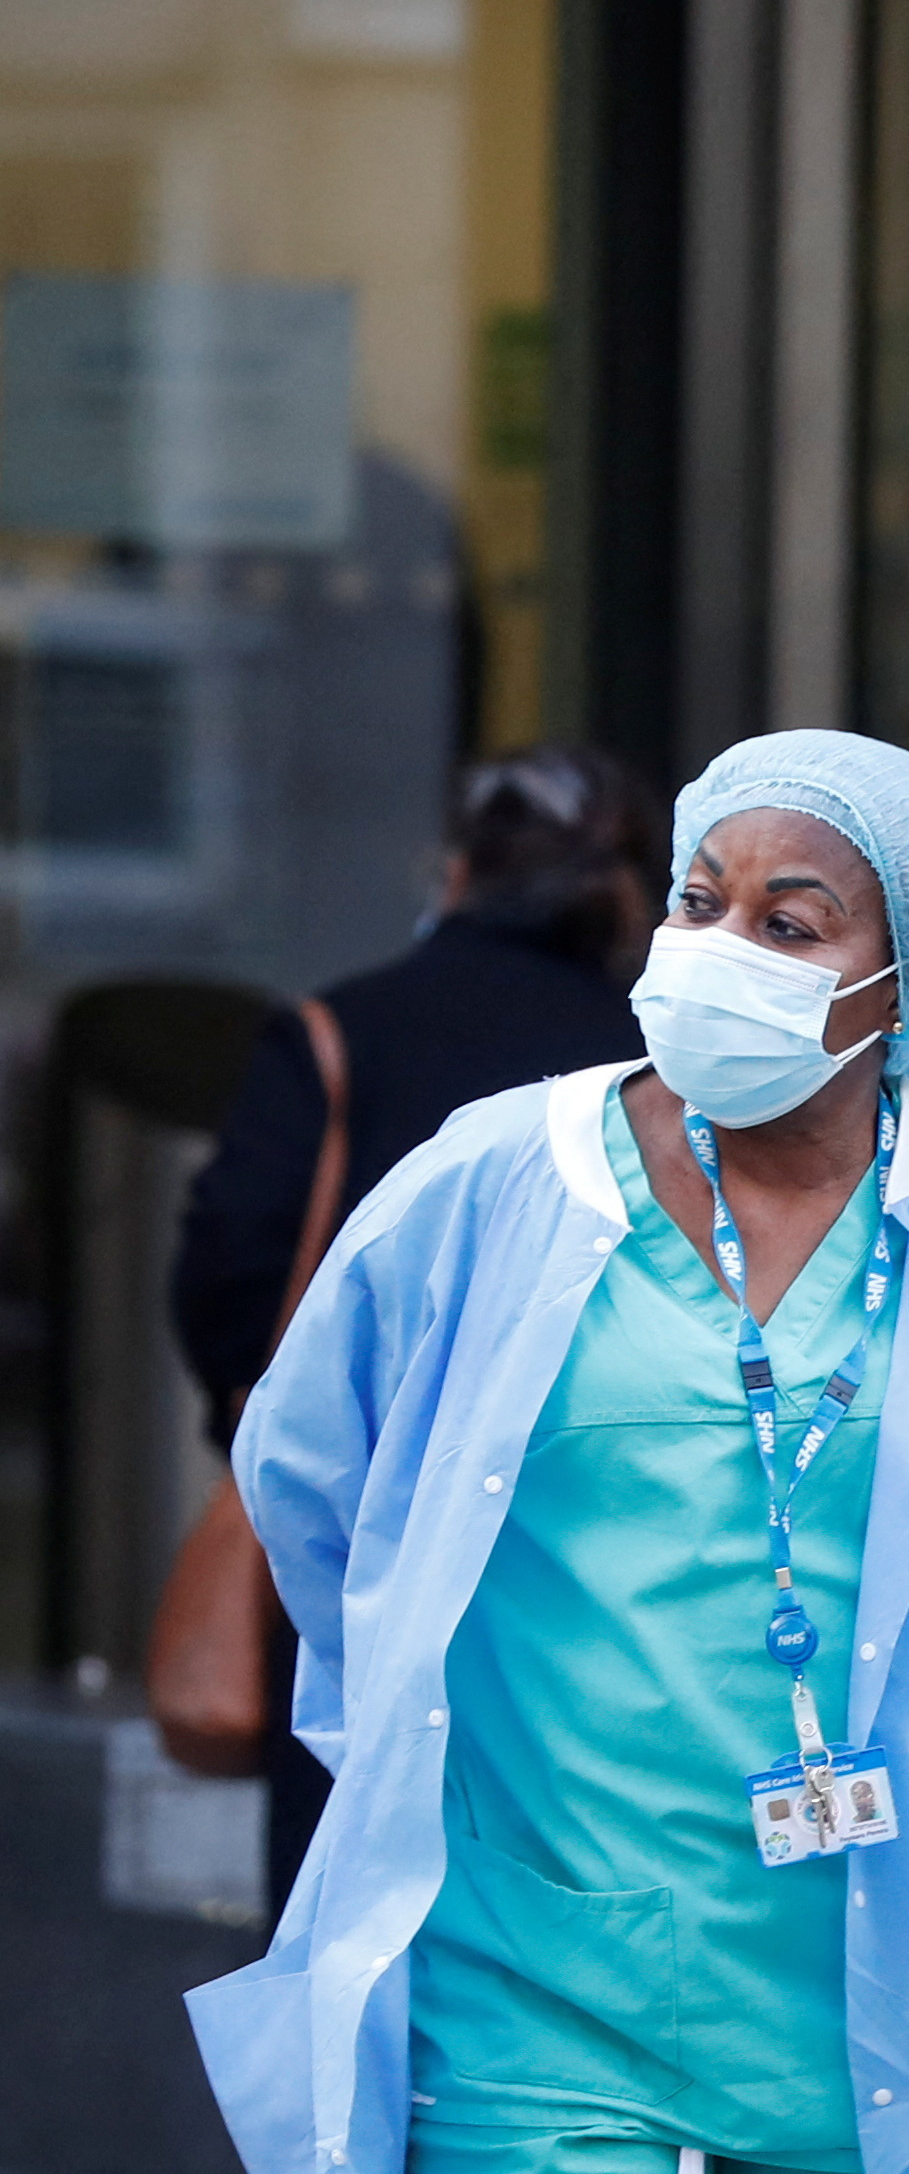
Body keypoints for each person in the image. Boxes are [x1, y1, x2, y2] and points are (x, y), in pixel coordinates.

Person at [194, 730, 909, 2174]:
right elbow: (314, 1471)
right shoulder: (500, 1178)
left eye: (789, 922)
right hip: (536, 1969)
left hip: (869, 1975)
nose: (718, 949)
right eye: (700, 902)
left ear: (907, 985)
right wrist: (420, 1712)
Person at [172, 743, 668, 1913]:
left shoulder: (340, 1033)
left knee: (348, 1890)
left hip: (362, 1545)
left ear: (454, 871)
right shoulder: (656, 1074)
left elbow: (232, 1260)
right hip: (599, 1558)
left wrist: (271, 1410)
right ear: (635, 894)